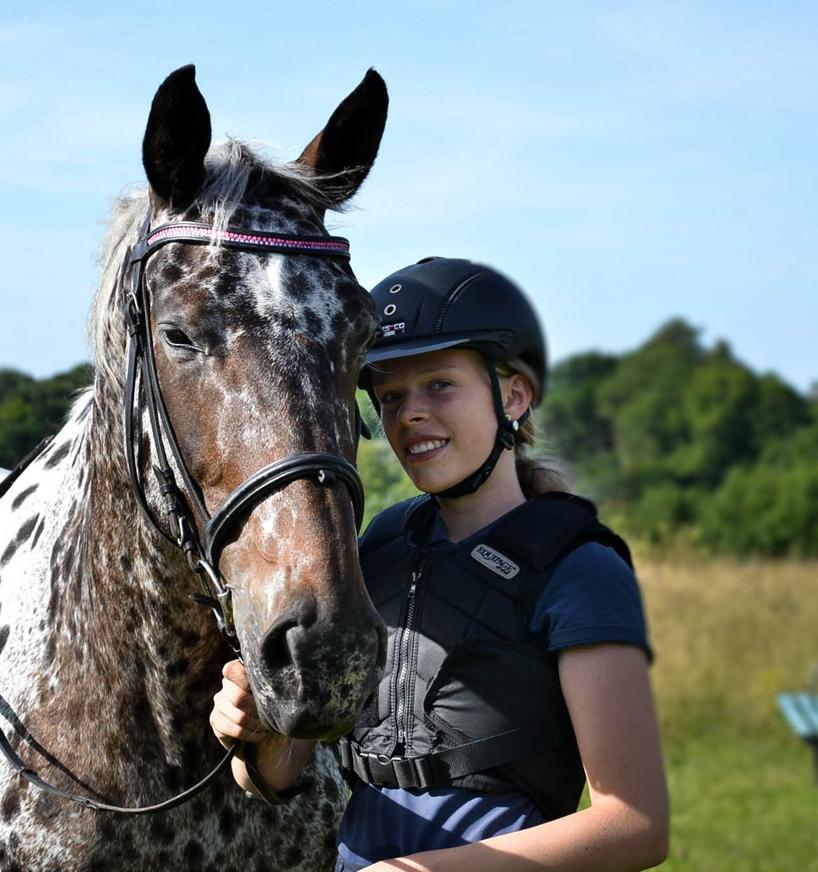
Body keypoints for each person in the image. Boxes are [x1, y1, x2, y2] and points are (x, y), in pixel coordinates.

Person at [210, 257, 669, 871]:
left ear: (513, 394)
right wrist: (255, 737)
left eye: (439, 385)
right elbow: (281, 772)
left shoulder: (579, 570)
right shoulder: (377, 545)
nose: (409, 414)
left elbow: (636, 826)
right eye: (390, 395)